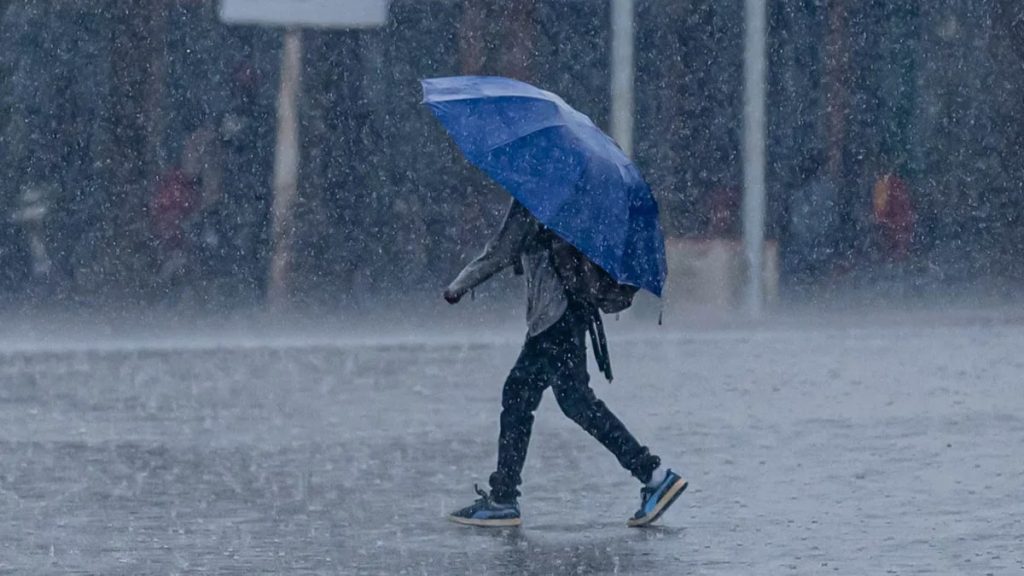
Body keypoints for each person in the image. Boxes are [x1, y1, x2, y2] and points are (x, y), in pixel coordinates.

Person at [443, 198, 687, 528]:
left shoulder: (535, 197)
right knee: (570, 401)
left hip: (553, 319)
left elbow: (501, 251)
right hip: (570, 314)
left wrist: (458, 286)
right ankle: (653, 475)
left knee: (524, 397)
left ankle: (504, 498)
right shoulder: (574, 199)